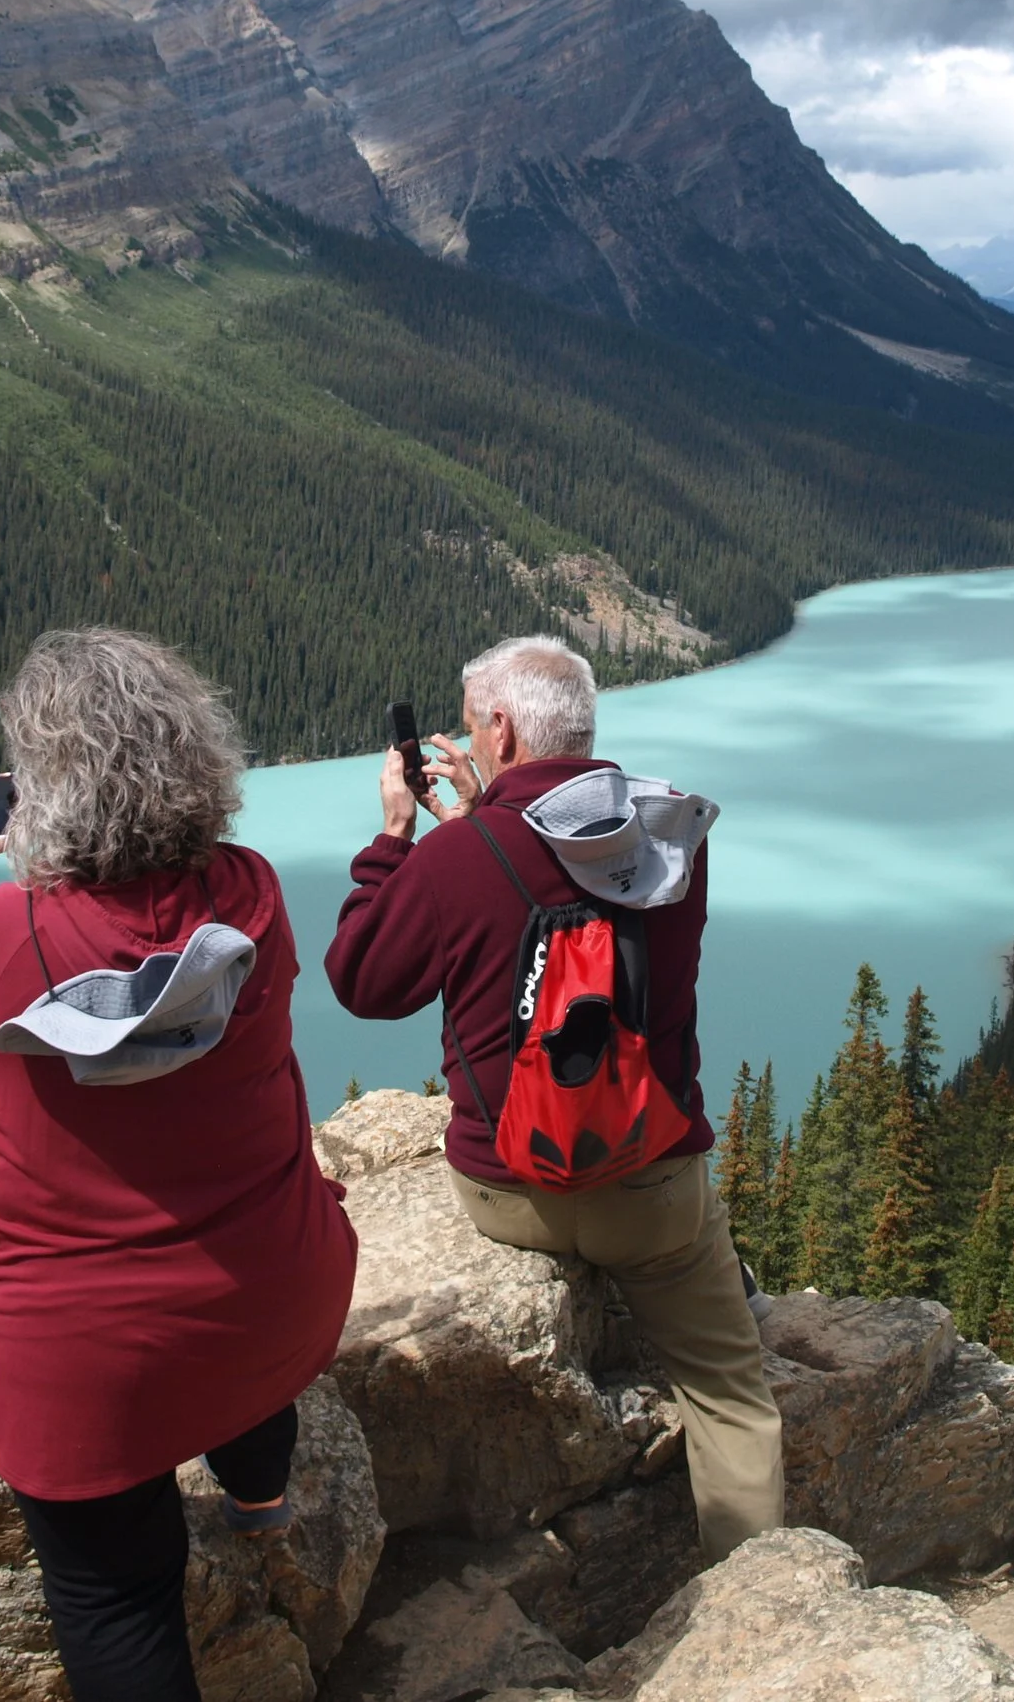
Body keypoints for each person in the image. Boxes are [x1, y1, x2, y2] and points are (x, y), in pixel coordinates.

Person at [0, 629, 357, 1702]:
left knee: (117, 1600)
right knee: (236, 1310)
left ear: (37, 793)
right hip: (278, 1296)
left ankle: (228, 1513)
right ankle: (260, 1498)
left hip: (83, 1379)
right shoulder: (250, 895)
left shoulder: (0, 937)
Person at [324, 635, 784, 1561]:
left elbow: (363, 980)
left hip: (512, 1192)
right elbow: (571, 879)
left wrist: (398, 842)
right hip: (654, 1188)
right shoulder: (665, 832)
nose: (467, 741)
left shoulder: (462, 854)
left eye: (471, 726)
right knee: (731, 1386)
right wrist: (477, 823)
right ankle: (758, 1581)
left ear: (499, 727)